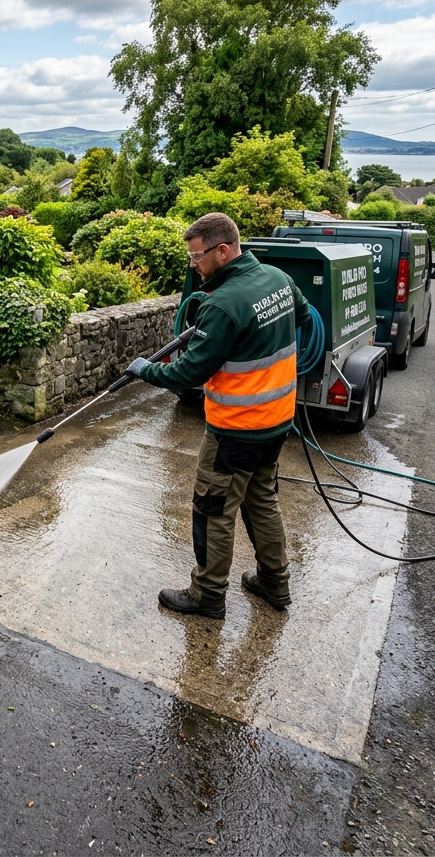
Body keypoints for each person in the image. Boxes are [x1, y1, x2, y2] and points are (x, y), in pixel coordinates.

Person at [126, 212, 310, 619]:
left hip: (236, 430)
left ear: (222, 251)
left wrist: (145, 370)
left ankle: (207, 594)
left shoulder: (224, 305)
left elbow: (189, 372)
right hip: (278, 422)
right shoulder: (278, 279)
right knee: (261, 500)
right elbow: (302, 315)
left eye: (197, 257)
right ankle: (275, 584)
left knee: (213, 509)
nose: (193, 264)